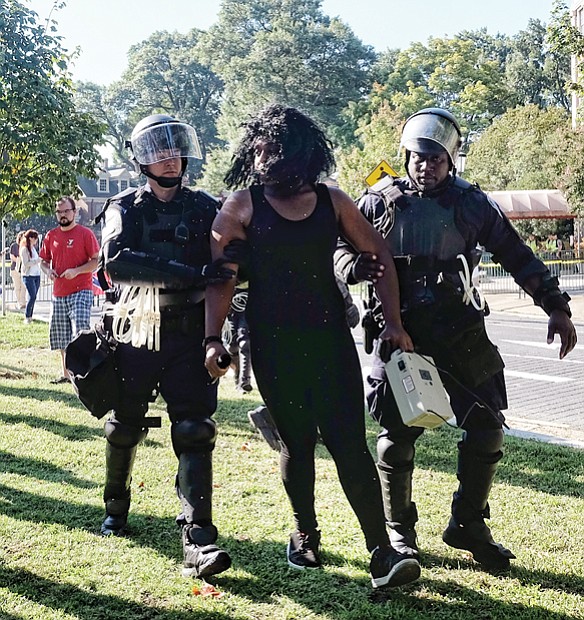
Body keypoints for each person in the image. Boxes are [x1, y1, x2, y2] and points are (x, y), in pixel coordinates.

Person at [334, 107, 577, 572]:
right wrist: (351, 266)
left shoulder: (472, 203)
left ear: (451, 160)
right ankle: (399, 531)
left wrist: (556, 305)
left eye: (436, 159)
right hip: (397, 330)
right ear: (406, 156)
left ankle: (467, 523)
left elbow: (516, 254)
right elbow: (338, 245)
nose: (426, 166)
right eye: (418, 157)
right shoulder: (377, 201)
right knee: (396, 437)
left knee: (486, 425)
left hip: (460, 329)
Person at [204, 103, 421, 589]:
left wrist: (393, 322)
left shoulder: (334, 201)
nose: (262, 161)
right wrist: (213, 340)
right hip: (273, 345)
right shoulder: (241, 206)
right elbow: (220, 279)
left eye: (272, 152)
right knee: (297, 443)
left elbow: (377, 252)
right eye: (257, 151)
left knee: (349, 444)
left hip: (330, 341)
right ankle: (304, 532)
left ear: (299, 155)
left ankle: (381, 553)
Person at [97, 114, 236, 580]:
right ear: (141, 159)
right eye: (159, 151)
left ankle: (199, 538)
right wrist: (192, 275)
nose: (170, 158)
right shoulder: (123, 207)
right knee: (124, 426)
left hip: (188, 331)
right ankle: (116, 508)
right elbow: (116, 261)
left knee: (196, 429)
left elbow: (231, 258)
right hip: (136, 327)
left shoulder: (205, 206)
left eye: (175, 149)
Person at [39, 196, 100, 383]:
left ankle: (84, 373)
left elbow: (96, 261)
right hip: (59, 293)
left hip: (82, 289)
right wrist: (48, 271)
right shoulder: (51, 236)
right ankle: (67, 375)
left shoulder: (85, 234)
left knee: (80, 329)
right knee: (61, 336)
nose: (63, 215)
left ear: (75, 212)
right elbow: (43, 261)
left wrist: (77, 271)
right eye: (59, 212)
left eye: (66, 211)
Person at [19, 229, 42, 324]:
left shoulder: (32, 248)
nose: (36, 240)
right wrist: (37, 261)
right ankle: (27, 316)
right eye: (35, 238)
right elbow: (26, 263)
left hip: (36, 275)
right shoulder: (24, 249)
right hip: (28, 276)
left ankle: (30, 316)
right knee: (32, 296)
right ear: (31, 238)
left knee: (33, 296)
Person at [10, 231, 27, 310]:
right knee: (17, 287)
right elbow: (12, 257)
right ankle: (19, 302)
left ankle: (23, 303)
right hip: (15, 269)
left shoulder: (26, 247)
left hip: (24, 269)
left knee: (23, 287)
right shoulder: (14, 246)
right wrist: (19, 260)